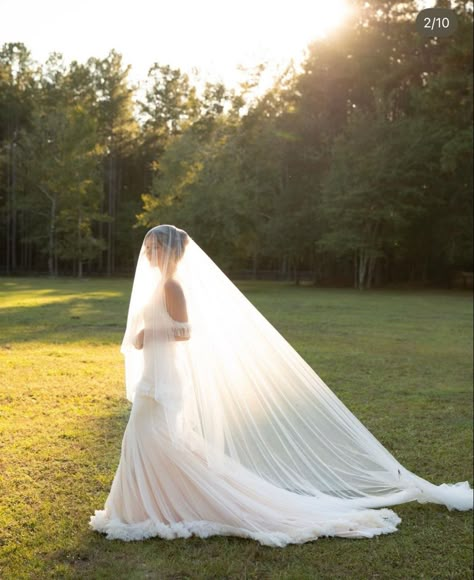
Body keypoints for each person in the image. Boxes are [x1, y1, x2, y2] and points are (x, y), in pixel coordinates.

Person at [89, 224, 473, 547]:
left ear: (169, 252)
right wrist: (142, 335)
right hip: (156, 375)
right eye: (150, 248)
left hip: (164, 379)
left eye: (154, 248)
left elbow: (186, 332)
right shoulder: (158, 285)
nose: (150, 254)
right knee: (150, 439)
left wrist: (150, 330)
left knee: (150, 437)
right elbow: (156, 332)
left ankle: (155, 506)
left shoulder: (173, 286)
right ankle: (145, 506)